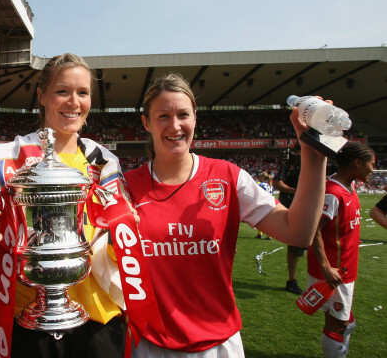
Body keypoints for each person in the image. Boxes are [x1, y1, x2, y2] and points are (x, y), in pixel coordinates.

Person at [123, 73, 328, 357]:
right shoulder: (123, 187)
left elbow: (298, 232)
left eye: (183, 114)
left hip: (218, 345)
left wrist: (314, 155)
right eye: (162, 116)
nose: (175, 125)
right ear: (146, 122)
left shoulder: (228, 177)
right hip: (148, 344)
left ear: (195, 118)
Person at [0, 53, 127, 357]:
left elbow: (120, 255)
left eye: (83, 93)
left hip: (100, 319)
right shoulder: (6, 159)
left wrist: (127, 233)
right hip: (30, 319)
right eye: (62, 91)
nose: (74, 102)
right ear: (41, 95)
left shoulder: (105, 163)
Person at [307, 141, 374, 358]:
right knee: (337, 326)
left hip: (345, 270)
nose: (372, 170)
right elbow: (314, 230)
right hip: (335, 273)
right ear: (357, 163)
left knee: (347, 323)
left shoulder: (349, 187)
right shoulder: (333, 193)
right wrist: (326, 268)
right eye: (370, 165)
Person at [272, 144, 306, 295]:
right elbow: (277, 183)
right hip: (293, 204)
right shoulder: (291, 161)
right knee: (295, 243)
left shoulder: (313, 161)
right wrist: (299, 192)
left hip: (312, 203)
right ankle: (292, 280)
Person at [255, 172, 273, 239]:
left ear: (263, 177)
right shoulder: (270, 185)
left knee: (260, 220)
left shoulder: (260, 185)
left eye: (260, 176)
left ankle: (260, 234)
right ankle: (269, 235)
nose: (259, 178)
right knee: (268, 220)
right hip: (270, 203)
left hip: (263, 203)